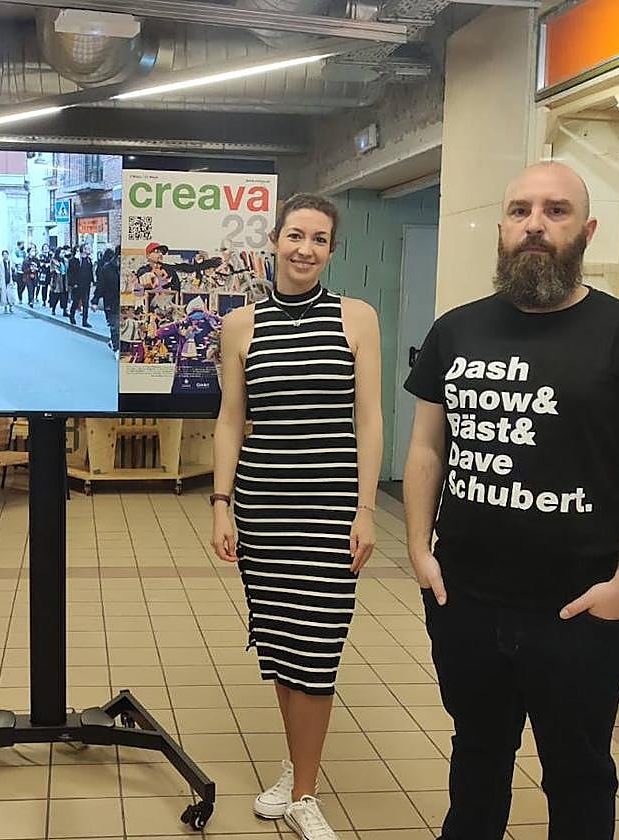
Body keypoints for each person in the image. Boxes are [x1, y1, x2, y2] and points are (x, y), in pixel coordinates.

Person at [402, 162, 619, 840]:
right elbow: (427, 449)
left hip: (580, 610)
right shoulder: (456, 331)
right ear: (502, 228)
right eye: (521, 210)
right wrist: (418, 550)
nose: (535, 223)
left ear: (586, 231)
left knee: (578, 776)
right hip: (466, 602)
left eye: (556, 211)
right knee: (476, 764)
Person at [211, 193, 383, 840]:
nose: (305, 249)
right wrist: (222, 504)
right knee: (282, 646)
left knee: (318, 649)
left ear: (331, 250)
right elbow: (231, 420)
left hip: (331, 512)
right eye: (295, 235)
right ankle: (296, 767)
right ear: (275, 240)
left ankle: (306, 793)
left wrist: (367, 510)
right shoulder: (241, 325)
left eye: (319, 240)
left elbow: (370, 420)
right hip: (263, 510)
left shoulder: (357, 318)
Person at [92, 248, 121, 350]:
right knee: (115, 326)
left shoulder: (126, 268)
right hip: (111, 302)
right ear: (118, 256)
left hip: (124, 302)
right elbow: (101, 285)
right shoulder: (107, 268)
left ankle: (114, 343)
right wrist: (95, 301)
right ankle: (116, 348)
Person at [67, 245, 94, 327]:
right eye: (88, 248)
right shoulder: (75, 260)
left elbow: (90, 271)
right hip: (78, 284)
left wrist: (92, 281)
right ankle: (72, 315)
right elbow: (70, 272)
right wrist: (73, 283)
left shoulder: (89, 260)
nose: (89, 250)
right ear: (83, 250)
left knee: (86, 303)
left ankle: (85, 321)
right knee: (75, 301)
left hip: (86, 284)